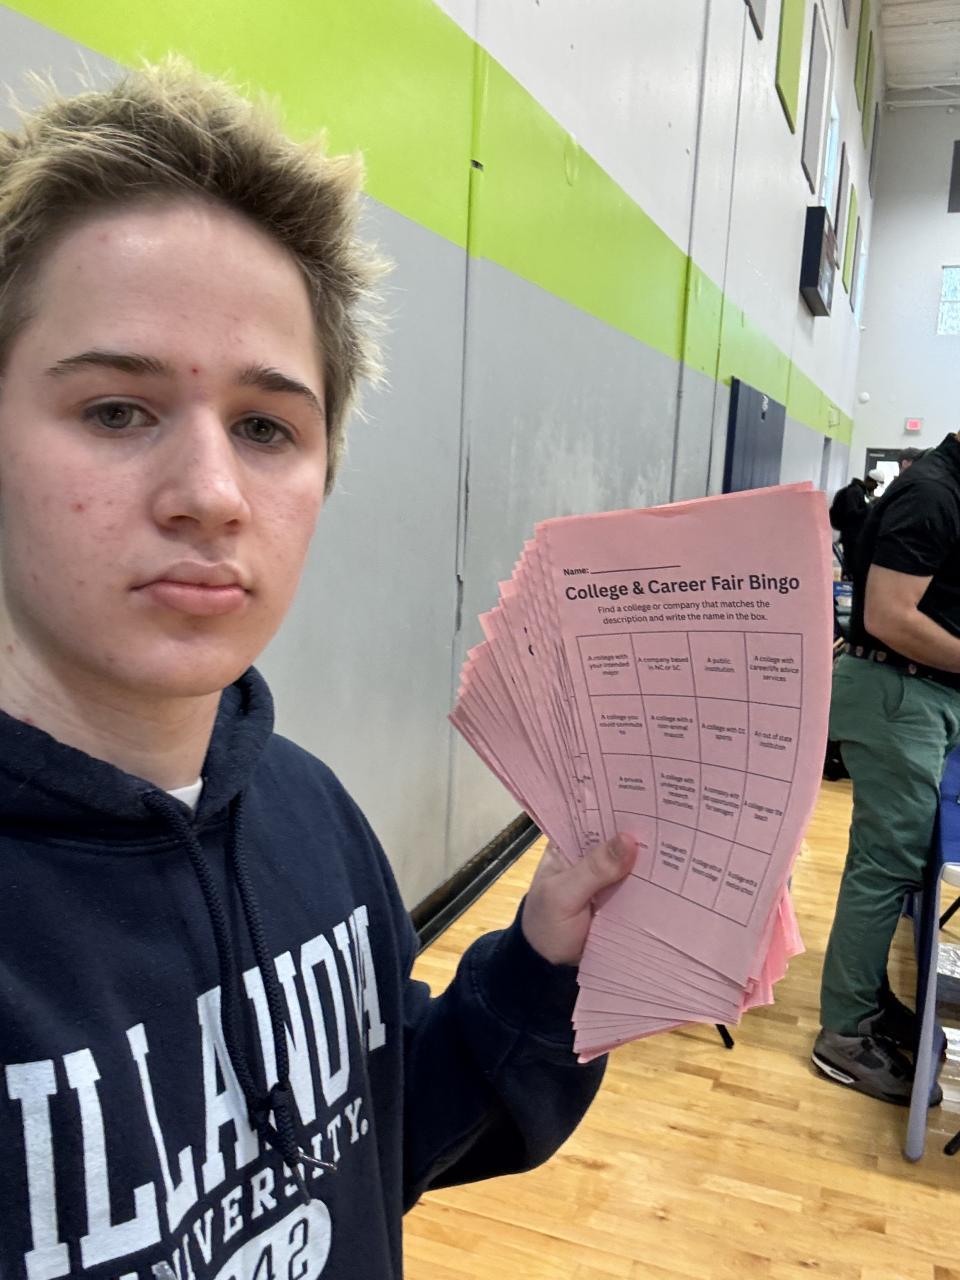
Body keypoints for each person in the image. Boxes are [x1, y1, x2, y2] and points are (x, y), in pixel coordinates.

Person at [0, 63, 639, 1278]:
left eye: (266, 427)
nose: (210, 494)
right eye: (117, 409)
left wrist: (543, 959)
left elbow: (378, 1139)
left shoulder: (309, 813)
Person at [812, 438, 960, 1104]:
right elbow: (887, 616)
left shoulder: (947, 490)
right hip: (899, 694)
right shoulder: (933, 494)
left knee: (890, 865)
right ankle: (844, 1037)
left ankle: (864, 999)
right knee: (884, 867)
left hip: (917, 695)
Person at [829, 469, 883, 578]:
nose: (876, 488)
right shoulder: (855, 492)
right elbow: (852, 513)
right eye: (876, 485)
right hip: (852, 538)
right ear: (870, 481)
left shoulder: (860, 492)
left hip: (854, 537)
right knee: (852, 567)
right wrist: (869, 509)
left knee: (853, 566)